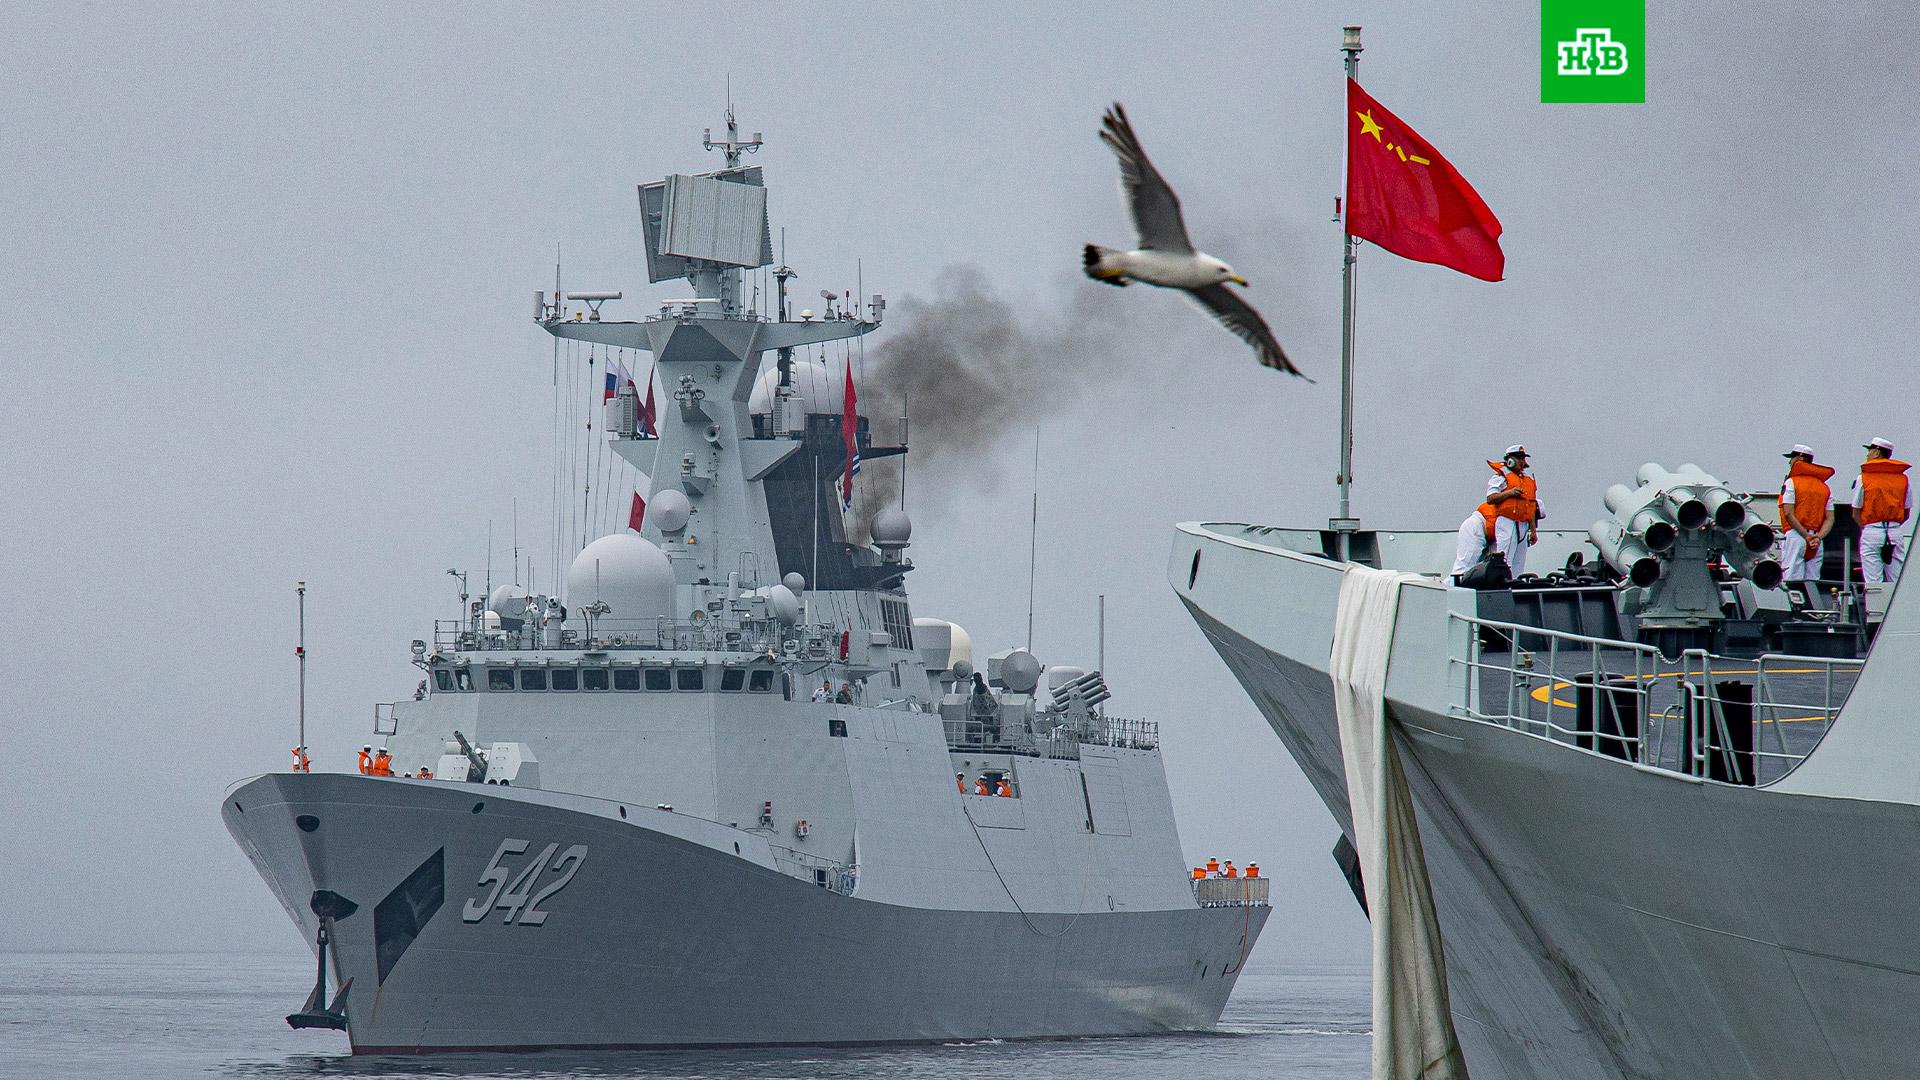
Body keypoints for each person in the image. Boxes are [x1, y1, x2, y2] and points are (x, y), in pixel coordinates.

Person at [1450, 446, 1541, 582]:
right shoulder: (1501, 478)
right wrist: (1510, 493)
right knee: (1467, 564)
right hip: (1478, 526)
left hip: (1494, 533)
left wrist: (1533, 531)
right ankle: (1453, 586)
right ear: (1510, 460)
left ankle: (1507, 586)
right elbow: (1491, 498)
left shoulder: (1527, 484)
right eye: (1519, 458)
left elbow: (1531, 509)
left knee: (1504, 565)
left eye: (1523, 458)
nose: (1522, 462)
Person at [1854, 437, 1912, 583]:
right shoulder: (1903, 479)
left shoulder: (1863, 478)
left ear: (1877, 453)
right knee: (1896, 580)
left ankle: (1875, 599)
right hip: (1895, 531)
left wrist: (1866, 527)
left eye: (1870, 450)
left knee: (1873, 582)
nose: (1867, 454)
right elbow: (1906, 512)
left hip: (1872, 531)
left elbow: (1856, 511)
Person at [1778, 444, 1835, 583]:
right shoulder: (1824, 487)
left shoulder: (1791, 482)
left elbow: (1788, 513)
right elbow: (1830, 519)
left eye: (1792, 458)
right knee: (1812, 581)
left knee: (1791, 578)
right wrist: (1817, 537)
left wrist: (1806, 536)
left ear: (1799, 459)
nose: (1790, 462)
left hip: (1796, 536)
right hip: (1816, 539)